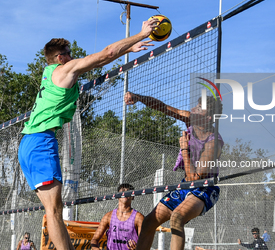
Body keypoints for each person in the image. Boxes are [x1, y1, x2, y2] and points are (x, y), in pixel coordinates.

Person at [17, 18, 159, 250]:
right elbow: (107, 52)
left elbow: (101, 60)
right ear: (60, 58)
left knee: (54, 209)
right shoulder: (65, 70)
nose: (72, 56)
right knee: (54, 211)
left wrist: (128, 49)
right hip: (41, 142)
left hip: (29, 143)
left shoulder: (50, 72)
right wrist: (141, 35)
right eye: (68, 53)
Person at [124, 92, 224, 250]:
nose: (193, 109)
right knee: (149, 221)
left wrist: (184, 148)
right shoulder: (191, 119)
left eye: (199, 108)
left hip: (205, 187)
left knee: (177, 218)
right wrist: (139, 97)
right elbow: (163, 108)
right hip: (186, 185)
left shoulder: (214, 143)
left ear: (208, 118)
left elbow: (195, 177)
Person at [91, 183, 144, 250]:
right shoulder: (108, 216)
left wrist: (137, 248)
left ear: (133, 196)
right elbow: (94, 240)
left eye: (128, 191)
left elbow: (144, 245)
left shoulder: (139, 218)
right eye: (122, 191)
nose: (125, 193)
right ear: (117, 196)